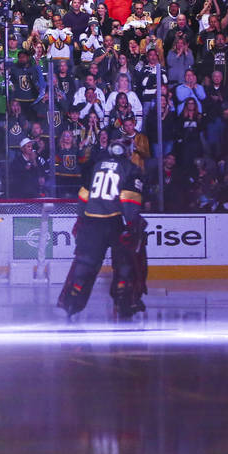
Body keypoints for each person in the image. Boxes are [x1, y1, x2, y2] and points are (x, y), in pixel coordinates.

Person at [57, 128, 147, 320]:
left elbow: (83, 195)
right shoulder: (131, 169)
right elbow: (129, 201)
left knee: (85, 264)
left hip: (90, 220)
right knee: (124, 263)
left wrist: (81, 219)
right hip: (114, 220)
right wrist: (132, 225)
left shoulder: (96, 165)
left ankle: (72, 301)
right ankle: (124, 302)